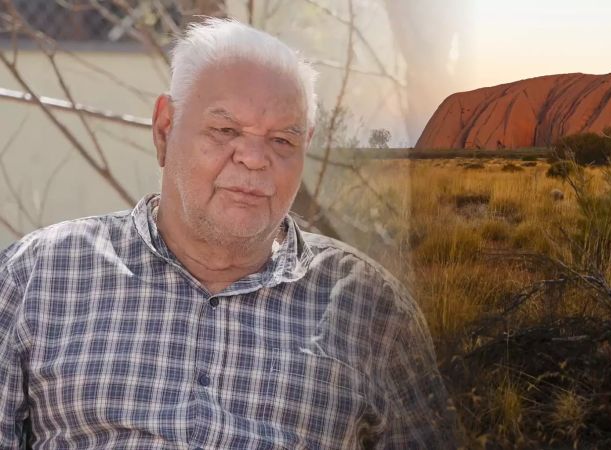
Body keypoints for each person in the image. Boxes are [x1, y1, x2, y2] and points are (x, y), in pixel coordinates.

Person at [0, 18, 459, 449]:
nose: (254, 158)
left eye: (282, 140)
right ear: (165, 128)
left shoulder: (370, 309)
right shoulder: (37, 277)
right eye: (225, 129)